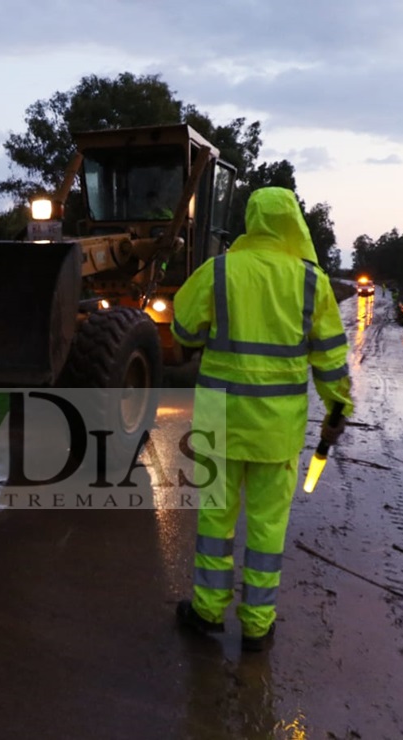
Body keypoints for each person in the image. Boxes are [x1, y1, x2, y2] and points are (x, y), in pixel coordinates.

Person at [171, 186, 354, 652]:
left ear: (252, 220)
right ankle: (257, 626)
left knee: (215, 521)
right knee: (268, 529)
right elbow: (330, 359)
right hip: (278, 430)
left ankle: (208, 612)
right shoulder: (312, 281)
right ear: (293, 223)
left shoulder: (218, 271)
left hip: (221, 424)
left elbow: (183, 330)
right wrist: (338, 409)